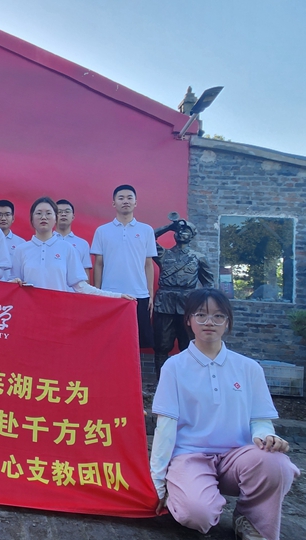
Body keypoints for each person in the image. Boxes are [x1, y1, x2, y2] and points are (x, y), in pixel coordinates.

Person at [150, 288, 299, 540]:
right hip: (190, 456)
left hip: (238, 457)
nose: (209, 322)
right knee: (197, 514)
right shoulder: (174, 367)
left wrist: (265, 436)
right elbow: (165, 427)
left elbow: (260, 420)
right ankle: (197, 494)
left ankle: (250, 518)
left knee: (277, 464)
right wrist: (158, 481)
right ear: (188, 320)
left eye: (218, 316)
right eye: (201, 315)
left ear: (227, 321)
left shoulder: (249, 368)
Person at [10, 197, 133, 299]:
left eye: (48, 213)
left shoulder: (66, 249)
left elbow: (81, 287)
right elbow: (12, 286)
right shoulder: (21, 250)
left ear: (56, 218)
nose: (43, 217)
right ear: (31, 218)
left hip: (58, 310)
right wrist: (14, 283)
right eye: (38, 213)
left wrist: (117, 296)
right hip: (30, 312)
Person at [91, 184, 157, 348]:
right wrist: (98, 292)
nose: (125, 201)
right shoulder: (102, 231)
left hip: (138, 294)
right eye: (121, 198)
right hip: (110, 294)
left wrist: (150, 294)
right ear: (114, 203)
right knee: (110, 340)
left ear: (136, 202)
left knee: (137, 342)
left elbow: (148, 264)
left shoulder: (146, 230)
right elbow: (98, 264)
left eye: (129, 198)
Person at [152, 214, 215, 378]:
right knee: (161, 345)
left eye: (186, 230)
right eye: (179, 230)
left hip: (188, 304)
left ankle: (188, 381)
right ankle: (162, 382)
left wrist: (204, 307)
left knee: (188, 345)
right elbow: (149, 237)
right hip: (164, 303)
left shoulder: (198, 258)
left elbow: (209, 284)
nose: (181, 233)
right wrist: (169, 227)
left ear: (192, 236)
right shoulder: (164, 254)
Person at [53, 199, 92, 282]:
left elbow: (85, 275)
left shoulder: (82, 244)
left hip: (74, 290)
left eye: (67, 211)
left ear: (73, 217)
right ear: (53, 216)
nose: (63, 214)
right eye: (59, 212)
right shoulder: (47, 242)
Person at [0, 199, 25, 278]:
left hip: (12, 284)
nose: (3, 218)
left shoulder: (21, 243)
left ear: (13, 218)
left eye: (7, 214)